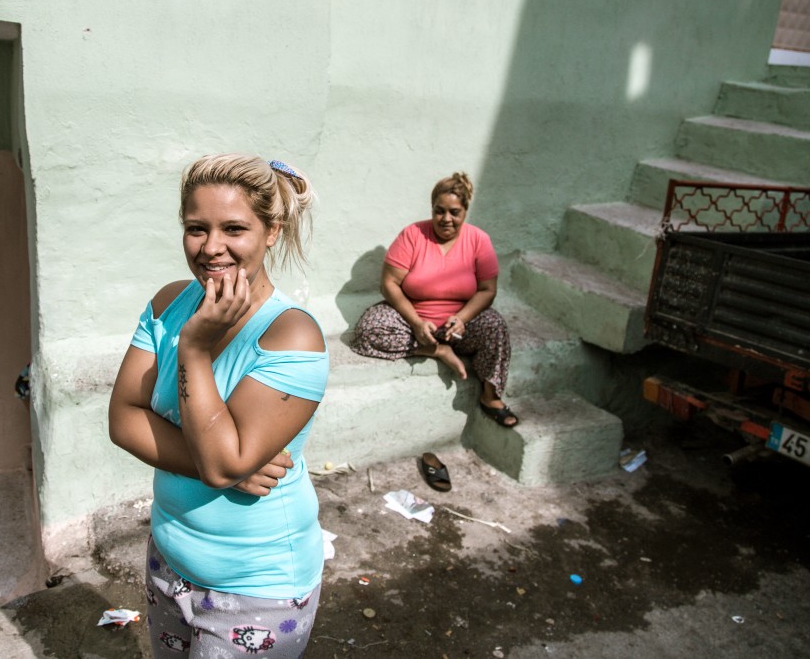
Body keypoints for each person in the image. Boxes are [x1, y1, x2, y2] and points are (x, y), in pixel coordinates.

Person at [108, 153, 329, 657]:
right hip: (169, 561)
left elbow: (220, 460)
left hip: (258, 586)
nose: (211, 248)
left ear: (271, 232)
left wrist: (194, 347)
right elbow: (123, 419)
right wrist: (228, 468)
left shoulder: (291, 334)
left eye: (234, 228)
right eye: (195, 228)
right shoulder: (169, 303)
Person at [350, 172, 516, 427]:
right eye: (439, 211)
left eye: (454, 212)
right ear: (432, 209)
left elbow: (487, 290)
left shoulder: (478, 240)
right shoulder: (413, 235)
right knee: (368, 328)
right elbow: (389, 284)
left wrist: (462, 319)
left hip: (459, 327)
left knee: (495, 327)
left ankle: (490, 396)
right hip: (414, 323)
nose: (446, 219)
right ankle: (437, 350)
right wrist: (416, 323)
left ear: (465, 211)